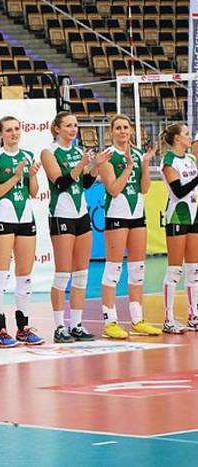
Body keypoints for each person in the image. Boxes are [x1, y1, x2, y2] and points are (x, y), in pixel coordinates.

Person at [41, 112, 105, 343]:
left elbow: (85, 184)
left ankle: (76, 325)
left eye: (75, 125)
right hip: (61, 215)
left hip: (81, 215)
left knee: (81, 274)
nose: (73, 129)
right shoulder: (49, 152)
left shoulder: (78, 152)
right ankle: (60, 327)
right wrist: (81, 165)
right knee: (62, 273)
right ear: (57, 128)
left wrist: (95, 166)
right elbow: (61, 183)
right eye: (68, 125)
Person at [97, 114, 161, 338]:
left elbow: (144, 189)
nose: (123, 131)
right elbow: (114, 189)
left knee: (137, 270)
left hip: (137, 215)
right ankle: (110, 322)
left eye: (126, 127)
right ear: (111, 131)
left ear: (131, 130)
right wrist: (128, 168)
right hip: (116, 214)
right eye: (118, 128)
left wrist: (144, 164)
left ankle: (137, 319)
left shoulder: (138, 154)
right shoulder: (107, 156)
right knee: (113, 269)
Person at [0, 116, 44, 348]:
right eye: (9, 130)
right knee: (1, 275)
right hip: (3, 218)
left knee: (24, 276)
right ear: (0, 133)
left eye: (17, 129)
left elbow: (33, 192)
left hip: (26, 218)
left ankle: (23, 328)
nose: (14, 133)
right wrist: (16, 177)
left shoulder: (28, 156)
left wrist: (32, 175)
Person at [160, 123, 198, 333]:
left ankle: (194, 316)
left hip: (194, 215)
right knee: (174, 270)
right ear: (177, 138)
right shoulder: (169, 161)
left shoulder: (191, 159)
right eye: (186, 134)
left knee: (194, 270)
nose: (189, 137)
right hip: (177, 216)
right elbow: (179, 191)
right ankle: (169, 319)